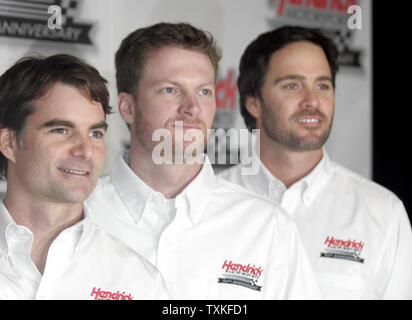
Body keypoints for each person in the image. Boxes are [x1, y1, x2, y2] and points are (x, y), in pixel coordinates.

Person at [85, 22, 321, 299]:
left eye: (204, 91)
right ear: (127, 107)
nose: (193, 108)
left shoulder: (268, 227)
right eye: (171, 90)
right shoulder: (78, 216)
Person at [219, 25, 412, 299]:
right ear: (253, 103)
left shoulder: (382, 213)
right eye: (292, 85)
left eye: (323, 85)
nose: (312, 101)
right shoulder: (207, 202)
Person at [0, 54, 167, 300]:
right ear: (9, 143)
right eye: (61, 130)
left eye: (95, 134)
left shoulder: (139, 282)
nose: (86, 151)